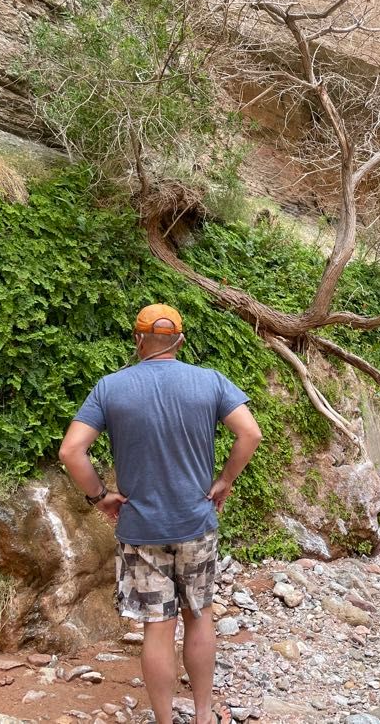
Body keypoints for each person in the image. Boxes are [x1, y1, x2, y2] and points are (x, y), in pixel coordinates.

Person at [59, 304, 262, 724]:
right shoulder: (209, 381)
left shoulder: (110, 388)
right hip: (196, 522)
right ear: (180, 341)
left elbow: (71, 451)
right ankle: (204, 716)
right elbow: (250, 433)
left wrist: (100, 497)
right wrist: (224, 480)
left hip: (140, 529)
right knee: (200, 615)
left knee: (158, 625)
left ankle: (166, 721)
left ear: (138, 340)